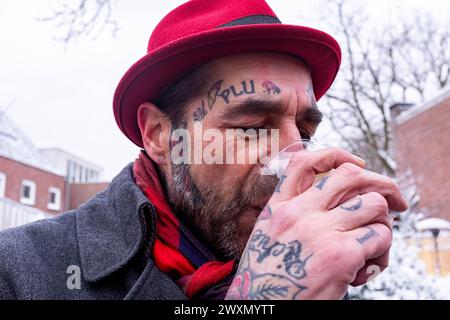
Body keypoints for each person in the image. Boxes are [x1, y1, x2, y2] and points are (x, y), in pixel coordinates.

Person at [0, 0, 407, 300]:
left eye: (304, 130)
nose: (293, 158)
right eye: (251, 127)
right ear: (160, 136)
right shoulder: (19, 271)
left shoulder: (320, 273)